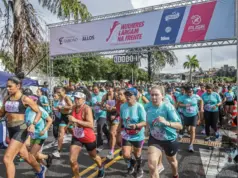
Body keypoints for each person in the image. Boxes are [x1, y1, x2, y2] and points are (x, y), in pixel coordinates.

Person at [0, 73, 46, 178]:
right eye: (7, 86)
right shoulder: (7, 98)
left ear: (18, 86)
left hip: (21, 129)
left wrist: (33, 124)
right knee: (24, 155)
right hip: (10, 129)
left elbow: (39, 112)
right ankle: (40, 169)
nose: (8, 88)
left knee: (7, 158)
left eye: (10, 86)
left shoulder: (25, 99)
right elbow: (1, 113)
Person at [147, 86, 182, 178]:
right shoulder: (147, 106)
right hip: (155, 139)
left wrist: (166, 122)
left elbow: (180, 126)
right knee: (151, 165)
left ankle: (175, 175)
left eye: (156, 95)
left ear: (162, 96)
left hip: (169, 139)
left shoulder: (168, 107)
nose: (154, 97)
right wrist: (146, 129)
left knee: (172, 162)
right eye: (152, 95)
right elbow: (145, 119)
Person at [68, 91, 105, 178]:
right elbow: (71, 120)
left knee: (94, 157)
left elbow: (91, 124)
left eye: (78, 99)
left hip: (88, 137)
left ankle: (101, 167)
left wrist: (76, 121)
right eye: (75, 98)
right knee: (72, 160)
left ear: (83, 99)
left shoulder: (87, 108)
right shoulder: (73, 107)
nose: (76, 100)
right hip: (77, 136)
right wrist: (69, 126)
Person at [119, 88, 146, 178]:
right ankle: (131, 164)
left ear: (135, 96)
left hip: (138, 134)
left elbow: (145, 122)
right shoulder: (123, 106)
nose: (127, 97)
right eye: (126, 95)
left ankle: (139, 167)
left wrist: (136, 125)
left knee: (137, 154)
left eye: (130, 95)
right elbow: (121, 120)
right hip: (126, 134)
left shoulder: (139, 107)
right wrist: (119, 130)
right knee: (126, 154)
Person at [25, 94, 53, 167]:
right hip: (31, 135)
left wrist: (44, 130)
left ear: (35, 101)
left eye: (30, 100)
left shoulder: (40, 109)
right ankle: (47, 158)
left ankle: (40, 170)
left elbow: (50, 120)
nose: (27, 102)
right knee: (30, 154)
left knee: (31, 156)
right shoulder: (27, 109)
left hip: (40, 135)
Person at [178, 86, 203, 152]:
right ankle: (188, 131)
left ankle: (191, 145)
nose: (190, 93)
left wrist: (201, 108)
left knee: (193, 130)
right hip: (186, 115)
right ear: (186, 92)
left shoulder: (196, 96)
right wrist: (185, 105)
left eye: (191, 92)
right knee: (188, 129)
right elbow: (179, 104)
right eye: (188, 92)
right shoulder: (183, 97)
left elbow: (201, 100)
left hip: (194, 115)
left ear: (192, 91)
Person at [53, 87, 73, 158]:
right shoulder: (60, 98)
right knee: (61, 134)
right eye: (57, 92)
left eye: (59, 92)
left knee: (72, 131)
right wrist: (57, 109)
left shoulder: (66, 98)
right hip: (63, 117)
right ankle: (58, 151)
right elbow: (61, 108)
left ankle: (80, 140)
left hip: (69, 116)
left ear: (63, 92)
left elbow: (71, 106)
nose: (58, 93)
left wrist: (62, 107)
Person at [101, 83, 118, 159]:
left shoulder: (116, 96)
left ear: (112, 88)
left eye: (109, 88)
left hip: (117, 115)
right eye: (107, 88)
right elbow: (101, 107)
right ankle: (115, 147)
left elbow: (120, 106)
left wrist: (113, 109)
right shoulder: (105, 96)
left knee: (112, 133)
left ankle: (111, 151)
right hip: (108, 116)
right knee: (112, 135)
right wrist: (104, 106)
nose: (108, 90)